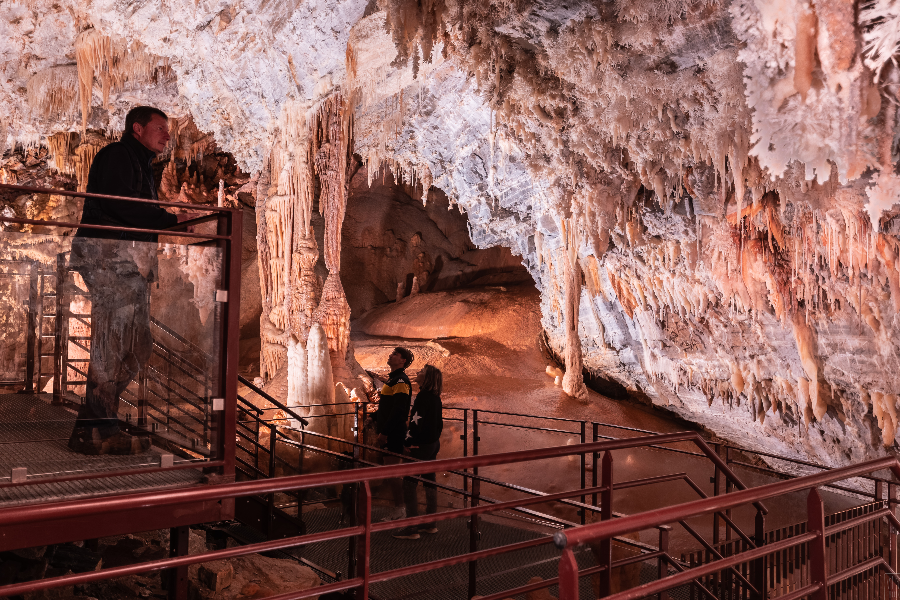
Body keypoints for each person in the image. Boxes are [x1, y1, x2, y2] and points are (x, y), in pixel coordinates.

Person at [67, 106, 178, 455]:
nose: (167, 135)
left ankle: (92, 427)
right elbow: (121, 206)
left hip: (131, 261)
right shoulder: (117, 155)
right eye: (160, 128)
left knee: (138, 343)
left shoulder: (143, 166)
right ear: (137, 128)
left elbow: (136, 211)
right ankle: (102, 429)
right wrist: (170, 219)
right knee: (113, 342)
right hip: (108, 257)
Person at [393, 364, 444, 540]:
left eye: (421, 371)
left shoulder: (423, 397)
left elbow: (416, 424)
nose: (417, 373)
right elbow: (439, 425)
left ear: (427, 377)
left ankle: (412, 527)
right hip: (432, 444)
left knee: (409, 484)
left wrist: (408, 442)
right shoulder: (436, 397)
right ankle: (431, 522)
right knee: (430, 481)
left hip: (419, 446)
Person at [367, 347, 414, 520]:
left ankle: (400, 509)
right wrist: (373, 417)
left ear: (403, 361)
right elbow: (387, 407)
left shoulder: (401, 381)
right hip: (389, 430)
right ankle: (399, 507)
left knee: (393, 472)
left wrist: (385, 433)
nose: (391, 355)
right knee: (389, 471)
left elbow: (399, 410)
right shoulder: (393, 380)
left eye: (396, 354)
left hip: (394, 432)